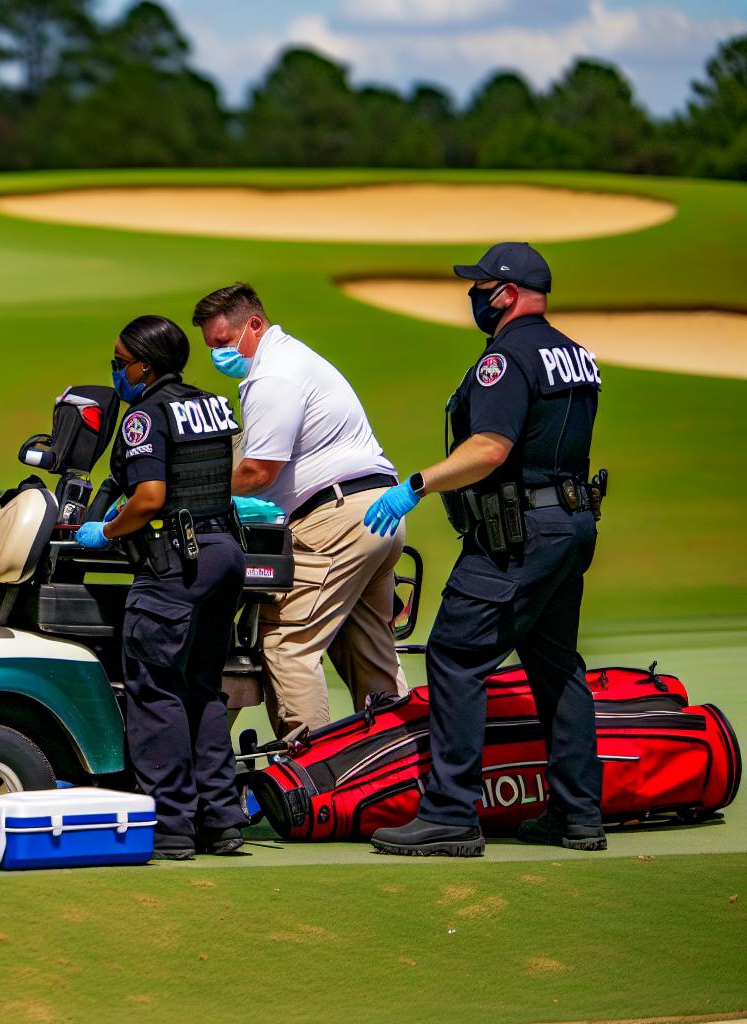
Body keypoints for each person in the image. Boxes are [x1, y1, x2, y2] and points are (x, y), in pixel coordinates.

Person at [363, 242, 604, 857]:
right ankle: (578, 814)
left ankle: (449, 813)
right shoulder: (575, 355)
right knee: (556, 665)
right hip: (571, 524)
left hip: (517, 536)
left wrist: (416, 484)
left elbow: (490, 449)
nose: (474, 297)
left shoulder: (506, 357)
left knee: (454, 654)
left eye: (481, 287)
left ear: (507, 293)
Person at [193, 283, 407, 737]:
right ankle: (400, 768)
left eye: (223, 343)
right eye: (211, 346)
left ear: (254, 324)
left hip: (337, 518)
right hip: (379, 513)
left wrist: (192, 493)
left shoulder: (273, 375)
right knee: (370, 651)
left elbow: (258, 472)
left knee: (288, 642)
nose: (218, 354)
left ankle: (311, 780)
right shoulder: (296, 358)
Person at [73, 315, 248, 859]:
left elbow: (149, 497)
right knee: (202, 688)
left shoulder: (145, 416)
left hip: (177, 563)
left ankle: (171, 824)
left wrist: (106, 528)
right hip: (225, 555)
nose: (116, 372)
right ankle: (221, 820)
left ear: (146, 366)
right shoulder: (212, 404)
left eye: (120, 362)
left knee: (155, 687)